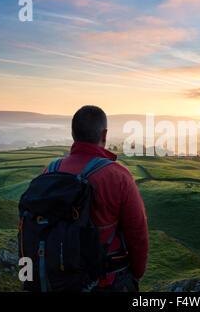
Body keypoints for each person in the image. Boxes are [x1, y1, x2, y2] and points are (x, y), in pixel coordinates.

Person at [44, 105, 149, 292]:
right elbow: (137, 233)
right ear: (104, 135)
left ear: (73, 134)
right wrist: (137, 275)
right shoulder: (118, 176)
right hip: (106, 281)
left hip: (58, 279)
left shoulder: (50, 172)